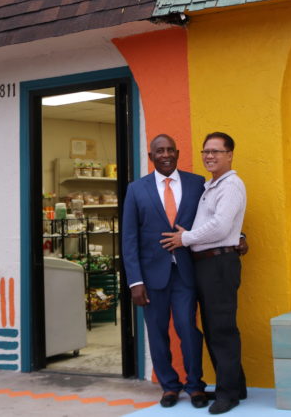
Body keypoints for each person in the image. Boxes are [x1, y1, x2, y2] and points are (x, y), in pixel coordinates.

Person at [161, 132, 247, 415]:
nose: (209, 156)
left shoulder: (231, 185)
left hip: (219, 264)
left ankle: (228, 394)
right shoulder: (211, 185)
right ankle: (235, 386)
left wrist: (185, 239)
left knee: (222, 329)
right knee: (213, 327)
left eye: (216, 152)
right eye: (205, 151)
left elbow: (222, 227)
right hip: (206, 264)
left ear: (230, 155)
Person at [122, 134, 209, 409]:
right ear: (151, 157)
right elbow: (129, 238)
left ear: (178, 153)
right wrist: (135, 281)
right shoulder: (136, 189)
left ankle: (195, 385)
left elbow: (214, 217)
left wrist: (238, 235)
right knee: (157, 332)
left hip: (186, 272)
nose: (166, 154)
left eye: (171, 149)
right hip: (150, 277)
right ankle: (169, 386)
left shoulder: (197, 184)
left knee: (188, 328)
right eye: (160, 151)